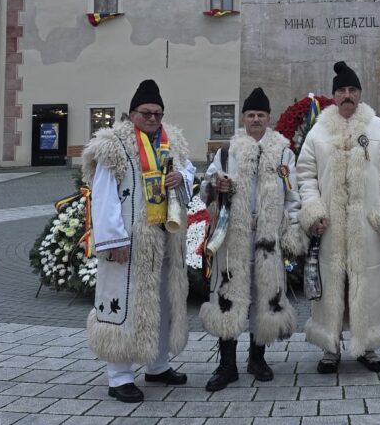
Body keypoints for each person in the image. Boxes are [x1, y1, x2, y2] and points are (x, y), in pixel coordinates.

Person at [81, 79, 195, 403]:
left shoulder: (171, 142)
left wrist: (181, 178)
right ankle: (118, 376)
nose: (153, 119)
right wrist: (113, 241)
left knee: (159, 306)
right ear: (132, 113)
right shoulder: (114, 146)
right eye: (146, 113)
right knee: (125, 307)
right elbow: (103, 197)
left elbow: (189, 172)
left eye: (158, 113)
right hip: (128, 244)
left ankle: (158, 366)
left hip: (165, 238)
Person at [296, 62, 380, 372]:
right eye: (342, 91)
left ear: (360, 94)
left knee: (368, 287)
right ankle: (329, 348)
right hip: (330, 226)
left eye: (353, 90)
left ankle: (368, 346)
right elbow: (304, 175)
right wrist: (313, 210)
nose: (348, 95)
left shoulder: (378, 128)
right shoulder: (318, 131)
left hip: (368, 228)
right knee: (333, 287)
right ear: (334, 96)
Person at [199, 86, 305, 391]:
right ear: (243, 118)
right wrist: (214, 187)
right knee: (229, 296)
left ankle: (257, 359)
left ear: (268, 118)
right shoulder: (226, 152)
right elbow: (207, 186)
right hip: (234, 238)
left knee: (264, 297)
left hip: (268, 239)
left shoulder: (284, 153)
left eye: (261, 115)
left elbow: (293, 195)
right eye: (250, 115)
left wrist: (291, 228)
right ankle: (226, 365)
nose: (255, 119)